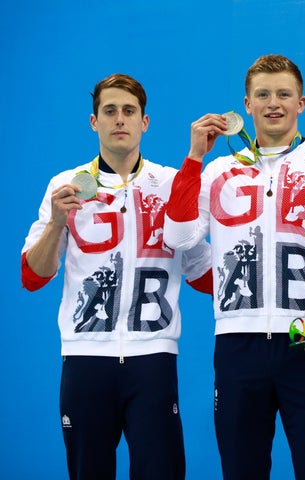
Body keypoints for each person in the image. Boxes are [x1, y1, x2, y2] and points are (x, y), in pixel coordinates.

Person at [162, 54, 305, 480]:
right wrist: (193, 158)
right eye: (263, 95)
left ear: (302, 103)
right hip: (239, 342)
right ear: (246, 104)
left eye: (283, 94)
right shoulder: (218, 170)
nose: (273, 103)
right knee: (242, 470)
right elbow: (180, 238)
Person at [21, 73, 213, 479]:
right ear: (94, 122)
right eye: (110, 111)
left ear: (145, 122)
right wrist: (57, 222)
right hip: (85, 358)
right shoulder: (64, 186)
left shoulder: (171, 184)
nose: (119, 119)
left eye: (129, 111)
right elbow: (33, 276)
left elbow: (201, 270)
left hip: (153, 358)